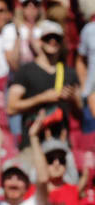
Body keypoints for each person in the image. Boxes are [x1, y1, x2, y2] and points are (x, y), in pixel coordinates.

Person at [7, 20, 81, 149]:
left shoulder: (69, 73)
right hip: (32, 144)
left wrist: (73, 98)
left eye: (57, 38)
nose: (52, 41)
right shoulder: (26, 71)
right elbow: (11, 107)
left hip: (60, 145)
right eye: (48, 38)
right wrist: (42, 98)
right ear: (39, 41)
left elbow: (80, 111)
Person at [0, 115, 49, 205]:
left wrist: (34, 137)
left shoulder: (34, 203)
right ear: (2, 184)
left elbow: (43, 180)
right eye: (9, 177)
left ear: (27, 185)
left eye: (20, 178)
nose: (14, 181)